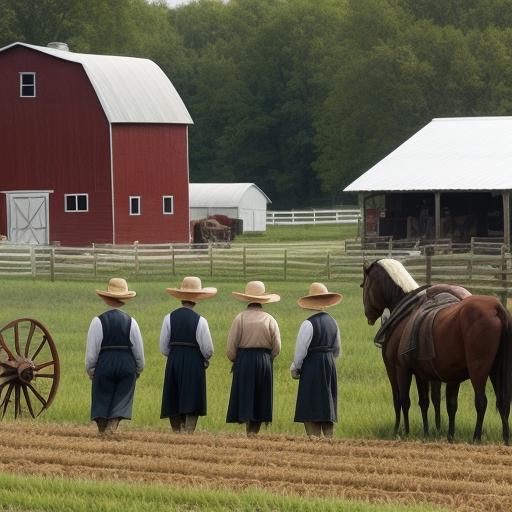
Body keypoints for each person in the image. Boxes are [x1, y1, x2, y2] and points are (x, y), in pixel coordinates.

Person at [85, 277, 145, 434]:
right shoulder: (132, 322)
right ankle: (112, 426)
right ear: (124, 299)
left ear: (106, 298)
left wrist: (92, 371)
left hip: (104, 363)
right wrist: (138, 369)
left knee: (101, 396)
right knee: (122, 397)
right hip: (127, 363)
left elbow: (92, 354)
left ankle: (103, 428)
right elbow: (138, 351)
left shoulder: (97, 321)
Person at [160, 276, 217, 433]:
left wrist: (174, 355)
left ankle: (176, 432)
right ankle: (189, 432)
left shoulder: (168, 318)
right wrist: (203, 359)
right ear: (197, 298)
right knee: (192, 396)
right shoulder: (201, 321)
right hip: (194, 361)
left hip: (174, 359)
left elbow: (163, 347)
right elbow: (208, 349)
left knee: (174, 395)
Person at [226, 281, 281, 436]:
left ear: (248, 299)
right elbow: (277, 347)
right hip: (264, 360)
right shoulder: (270, 319)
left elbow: (231, 347)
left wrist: (236, 360)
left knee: (246, 395)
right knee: (260, 396)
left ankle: (248, 430)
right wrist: (267, 358)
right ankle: (254, 433)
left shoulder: (240, 318)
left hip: (244, 360)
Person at [290, 282, 342, 438]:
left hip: (313, 366)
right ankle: (328, 443)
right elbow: (337, 349)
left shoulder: (308, 323)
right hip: (329, 365)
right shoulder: (334, 322)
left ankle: (314, 441)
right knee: (327, 407)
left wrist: (295, 368)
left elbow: (300, 352)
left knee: (310, 407)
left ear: (311, 301)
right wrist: (328, 361)